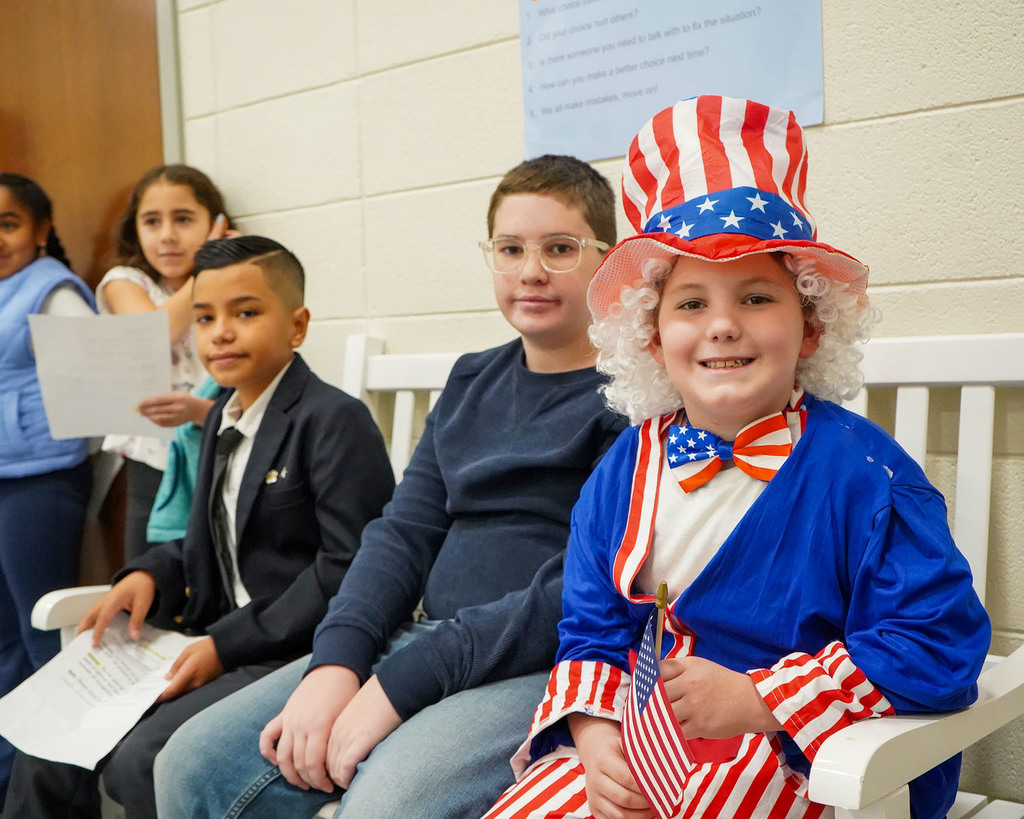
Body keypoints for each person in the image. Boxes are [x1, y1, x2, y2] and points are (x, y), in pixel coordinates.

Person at [482, 96, 991, 819]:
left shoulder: (866, 476)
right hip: (642, 753)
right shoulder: (623, 472)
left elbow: (936, 642)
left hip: (807, 762)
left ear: (810, 326)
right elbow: (593, 632)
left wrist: (759, 697)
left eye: (756, 296)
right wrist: (595, 742)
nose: (722, 324)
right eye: (690, 303)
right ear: (651, 338)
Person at [153, 155, 628, 819]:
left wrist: (399, 685)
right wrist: (336, 664)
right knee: (191, 763)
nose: (531, 270)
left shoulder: (634, 396)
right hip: (423, 638)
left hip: (539, 664)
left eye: (560, 248)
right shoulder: (470, 380)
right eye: (510, 248)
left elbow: (579, 589)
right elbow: (402, 533)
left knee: (386, 806)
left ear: (607, 260)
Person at [3, 235, 395, 819]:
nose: (221, 333)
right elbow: (203, 540)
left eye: (246, 313)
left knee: (142, 759)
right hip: (215, 638)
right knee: (51, 741)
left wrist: (224, 645)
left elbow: (349, 571)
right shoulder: (219, 417)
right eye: (205, 317)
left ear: (297, 326)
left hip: (296, 649)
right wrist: (147, 576)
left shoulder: (334, 420)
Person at [0, 172, 96, 804]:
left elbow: (96, 385)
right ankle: (12, 790)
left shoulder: (52, 290)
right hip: (5, 477)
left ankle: (61, 799)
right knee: (5, 642)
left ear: (39, 230)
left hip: (41, 482)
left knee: (44, 644)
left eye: (8, 224)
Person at [98, 164, 236, 561]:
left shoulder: (232, 279)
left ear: (216, 223)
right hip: (153, 450)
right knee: (149, 563)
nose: (167, 235)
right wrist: (211, 267)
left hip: (220, 435)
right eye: (152, 221)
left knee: (217, 556)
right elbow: (154, 336)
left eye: (183, 219)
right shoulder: (124, 282)